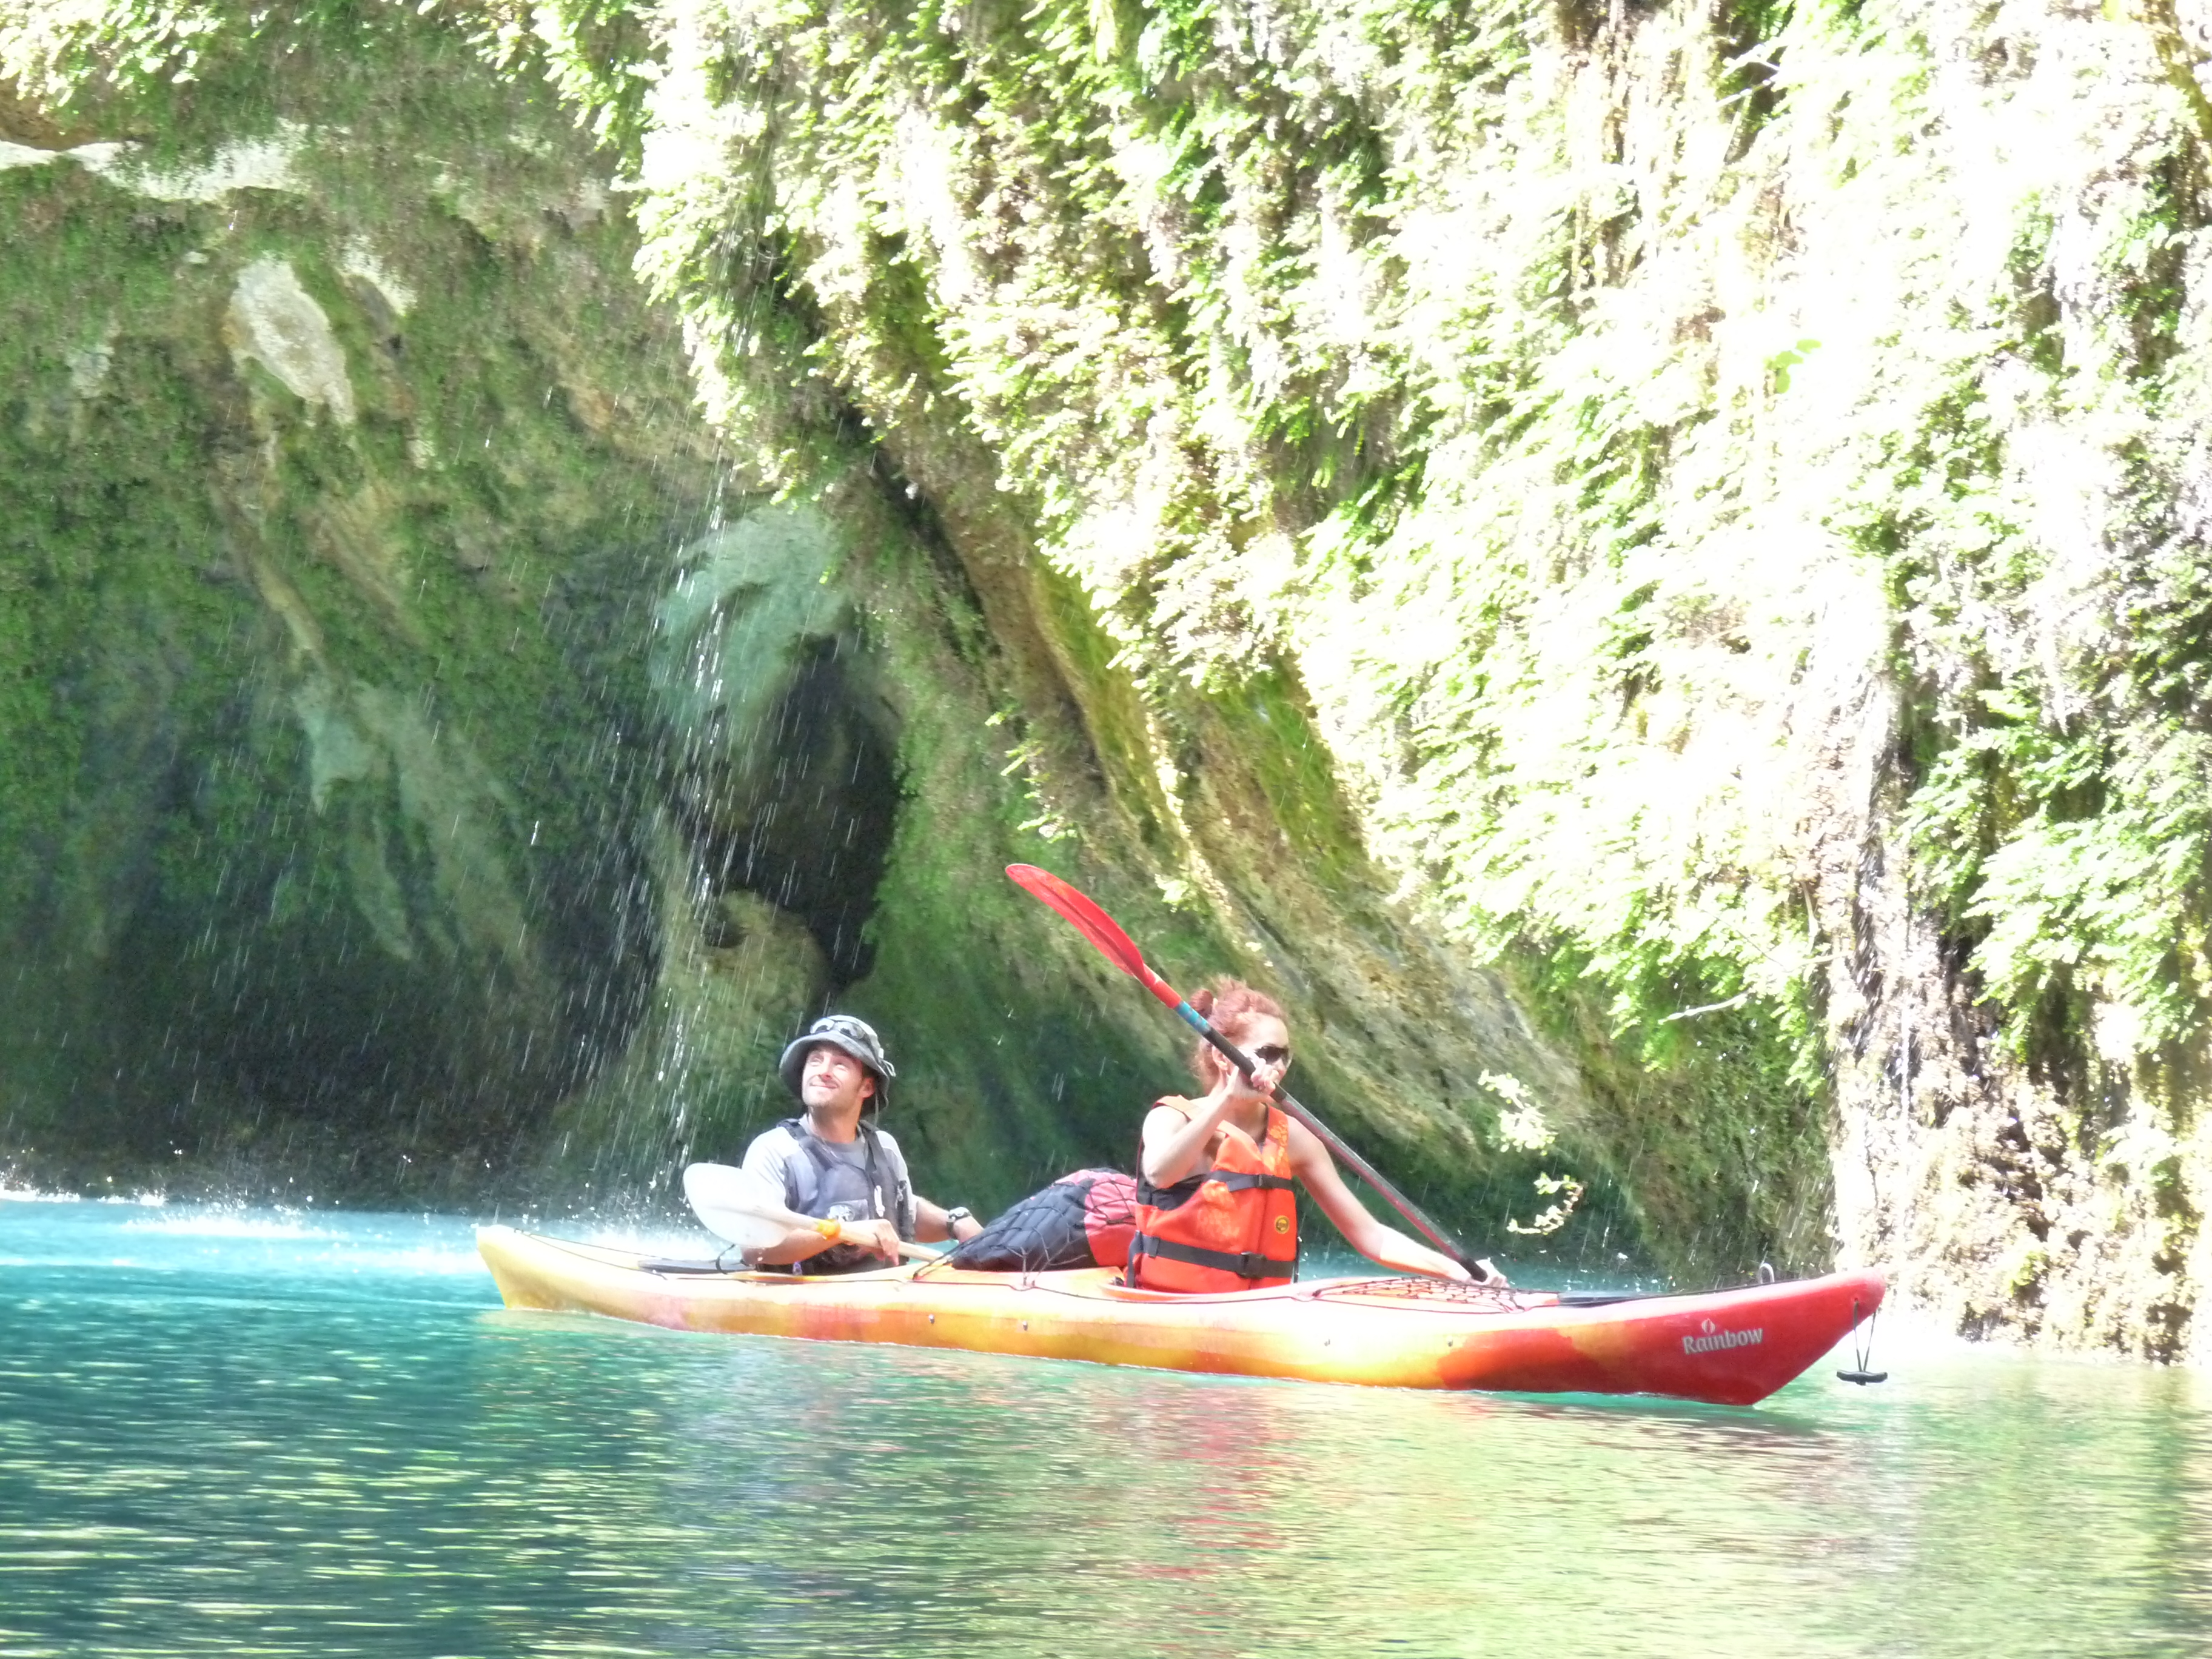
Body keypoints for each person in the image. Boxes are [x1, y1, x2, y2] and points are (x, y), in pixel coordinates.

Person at [1128, 980, 1487, 1292]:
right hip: (1171, 1300)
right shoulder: (1171, 1117)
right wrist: (1227, 1101)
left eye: (1285, 1056)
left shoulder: (1294, 1138)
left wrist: (1452, 1269)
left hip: (1256, 1307)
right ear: (1224, 1059)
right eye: (1267, 1054)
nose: (1279, 1067)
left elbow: (1370, 1235)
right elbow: (1161, 1174)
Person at [737, 1014, 985, 1273]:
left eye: (840, 1065)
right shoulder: (774, 1150)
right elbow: (755, 1248)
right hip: (795, 1305)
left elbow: (904, 1212)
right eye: (815, 1060)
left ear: (866, 1087)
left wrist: (953, 1222)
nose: (823, 1071)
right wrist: (842, 1231)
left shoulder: (884, 1148)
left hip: (879, 1301)